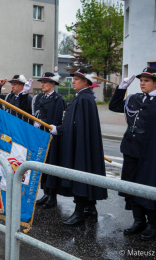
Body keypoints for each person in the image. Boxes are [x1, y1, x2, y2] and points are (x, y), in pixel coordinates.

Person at [49, 68, 108, 226]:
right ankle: (90, 209)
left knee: (81, 174)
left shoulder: (84, 98)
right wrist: (60, 128)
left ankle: (80, 212)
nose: (73, 81)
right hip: (81, 143)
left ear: (86, 82)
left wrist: (59, 129)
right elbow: (73, 123)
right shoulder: (83, 97)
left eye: (76, 79)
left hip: (80, 145)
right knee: (85, 172)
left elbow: (74, 125)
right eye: (73, 78)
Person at [109, 67, 156, 241]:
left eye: (147, 81)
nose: (142, 83)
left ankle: (152, 223)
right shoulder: (134, 99)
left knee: (148, 187)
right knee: (132, 186)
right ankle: (138, 220)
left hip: (150, 153)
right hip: (131, 149)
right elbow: (114, 106)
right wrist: (121, 88)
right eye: (141, 80)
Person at [33, 72, 67, 209]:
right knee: (43, 166)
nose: (42, 84)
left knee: (51, 165)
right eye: (42, 82)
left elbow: (58, 119)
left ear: (53, 84)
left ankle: (52, 196)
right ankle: (46, 193)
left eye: (45, 82)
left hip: (52, 137)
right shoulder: (41, 98)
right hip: (42, 136)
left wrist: (45, 123)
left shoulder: (58, 99)